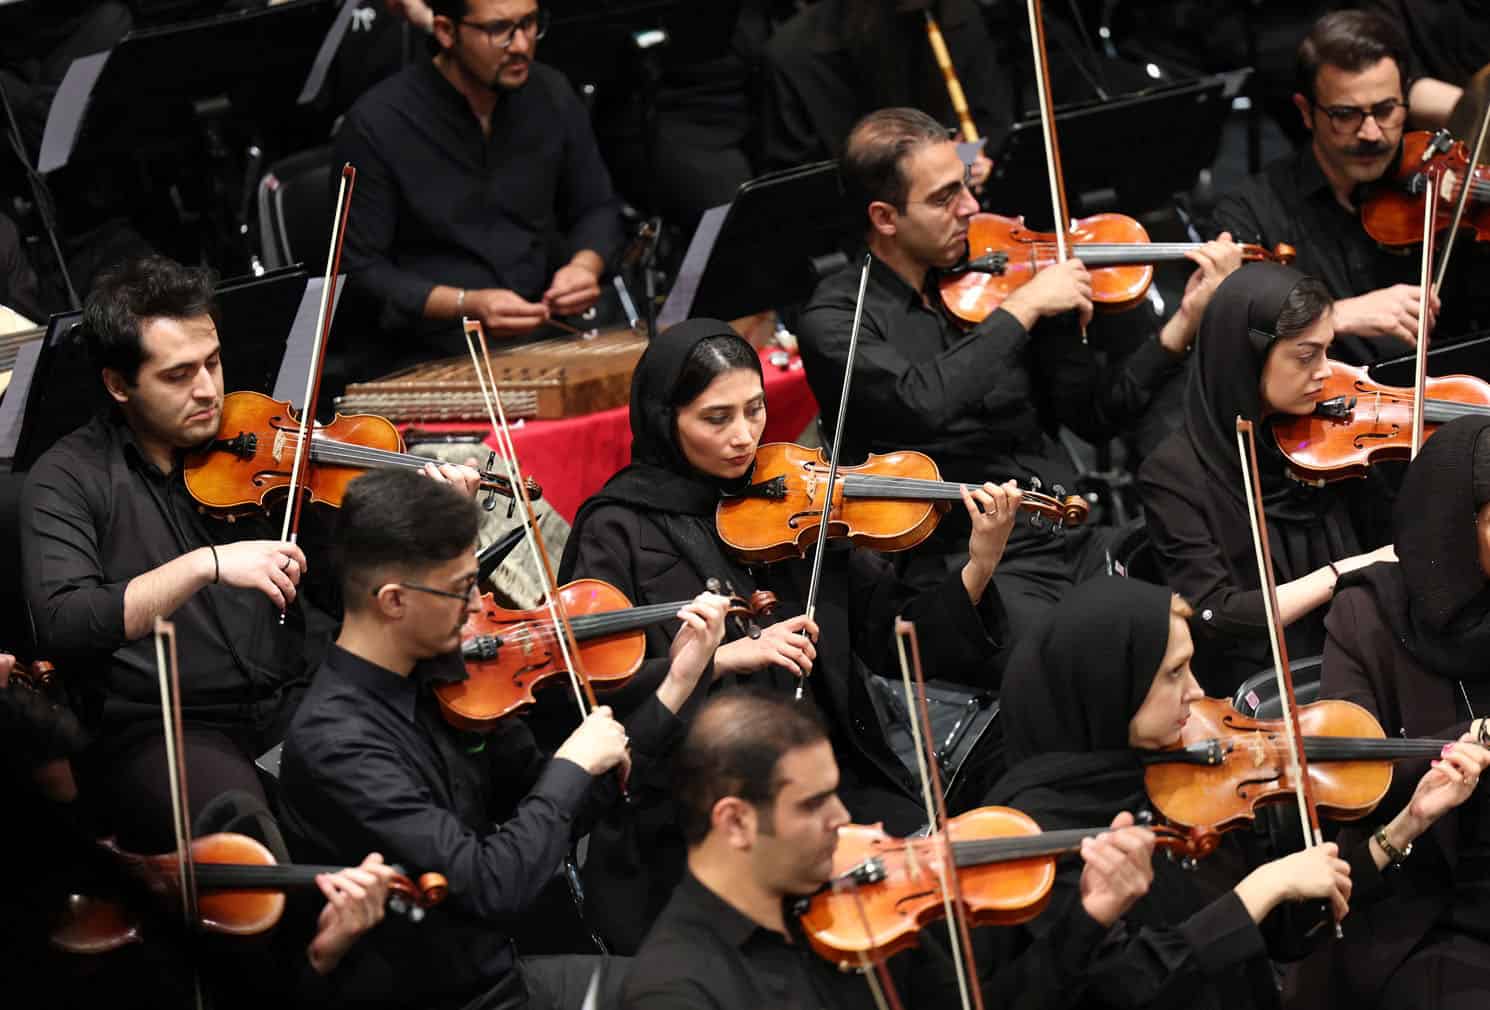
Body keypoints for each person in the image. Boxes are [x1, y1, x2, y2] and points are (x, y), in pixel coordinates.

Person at [558, 317, 1019, 952]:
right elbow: (594, 691)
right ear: (667, 419)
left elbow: (893, 636)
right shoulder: (618, 530)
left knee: (944, 908)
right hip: (697, 806)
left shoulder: (798, 499)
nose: (744, 437)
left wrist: (978, 564)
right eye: (715, 419)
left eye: (754, 410)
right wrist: (718, 660)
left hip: (827, 777)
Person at [17, 255, 481, 854]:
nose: (209, 390)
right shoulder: (66, 479)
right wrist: (205, 566)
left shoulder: (263, 448)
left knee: (419, 786)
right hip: (168, 728)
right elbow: (65, 620)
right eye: (178, 375)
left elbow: (347, 585)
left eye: (212, 363)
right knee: (245, 840)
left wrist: (430, 521)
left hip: (293, 695)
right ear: (118, 384)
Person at [277, 468, 730, 1009]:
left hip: (501, 975)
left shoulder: (446, 675)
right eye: (461, 590)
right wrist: (570, 768)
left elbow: (562, 816)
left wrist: (676, 685)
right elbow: (493, 886)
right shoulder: (338, 744)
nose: (477, 610)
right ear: (393, 601)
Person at [797, 106, 1242, 655]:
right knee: (1090, 667)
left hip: (1070, 530)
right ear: (885, 218)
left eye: (965, 187)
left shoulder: (1002, 277)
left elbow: (1094, 417)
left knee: (1212, 608)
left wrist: (1182, 325)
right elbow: (920, 403)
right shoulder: (837, 318)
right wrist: (1026, 308)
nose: (971, 209)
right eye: (943, 199)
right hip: (967, 565)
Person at [622, 688, 1160, 1010]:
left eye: (836, 793)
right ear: (735, 822)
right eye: (813, 805)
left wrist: (1089, 917)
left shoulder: (856, 897)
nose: (844, 819)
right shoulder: (679, 990)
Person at [987, 576, 1356, 1010]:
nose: (1196, 691)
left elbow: (1272, 936)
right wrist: (1259, 891)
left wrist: (1402, 831)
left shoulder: (1175, 773)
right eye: (1174, 673)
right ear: (1111, 685)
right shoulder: (1030, 834)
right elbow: (1121, 991)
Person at [1287, 414, 1490, 1009]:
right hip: (1426, 904)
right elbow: (1349, 779)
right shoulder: (1365, 619)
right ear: (1454, 526)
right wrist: (1464, 741)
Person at [1138, 263, 1396, 693]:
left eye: (1327, 350)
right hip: (1269, 684)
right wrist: (1340, 574)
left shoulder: (1334, 437)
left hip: (1366, 648)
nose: (1326, 372)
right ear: (1248, 357)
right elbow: (1214, 614)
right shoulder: (1172, 475)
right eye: (1305, 355)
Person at [336, 0, 624, 371]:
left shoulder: (551, 91)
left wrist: (585, 267)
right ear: (445, 31)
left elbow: (596, 205)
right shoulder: (377, 123)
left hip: (546, 325)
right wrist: (466, 303)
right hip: (430, 346)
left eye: (529, 24)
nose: (521, 45)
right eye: (499, 31)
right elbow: (362, 269)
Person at [1208, 10, 1490, 364]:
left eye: (1386, 110)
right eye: (1345, 115)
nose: (1371, 133)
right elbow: (1228, 338)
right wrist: (1333, 316)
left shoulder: (1447, 190)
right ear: (1306, 112)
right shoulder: (1253, 210)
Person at [759, 0, 1005, 185]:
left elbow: (988, 120)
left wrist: (967, 159)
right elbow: (799, 182)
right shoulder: (794, 56)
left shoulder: (954, 15)